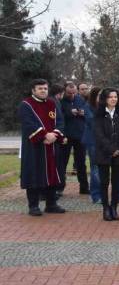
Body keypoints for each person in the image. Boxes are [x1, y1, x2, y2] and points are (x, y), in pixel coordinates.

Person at [19, 79, 67, 216]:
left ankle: (51, 204)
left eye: (45, 88)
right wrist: (45, 136)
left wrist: (54, 135)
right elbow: (28, 125)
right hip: (35, 147)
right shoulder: (26, 105)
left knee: (52, 173)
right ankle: (33, 206)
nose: (43, 91)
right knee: (34, 174)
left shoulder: (52, 103)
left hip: (51, 147)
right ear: (33, 90)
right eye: (40, 88)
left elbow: (60, 122)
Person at [93, 88, 119, 221]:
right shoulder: (98, 114)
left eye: (115, 97)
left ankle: (114, 208)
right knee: (104, 182)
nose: (114, 99)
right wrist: (111, 149)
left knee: (117, 183)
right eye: (110, 97)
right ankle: (105, 208)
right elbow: (98, 134)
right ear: (105, 99)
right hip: (104, 153)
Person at [58, 81, 89, 195]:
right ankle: (60, 187)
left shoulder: (80, 99)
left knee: (81, 162)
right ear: (64, 91)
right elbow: (58, 116)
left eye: (74, 92)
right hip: (66, 135)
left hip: (80, 135)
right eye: (69, 93)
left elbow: (87, 113)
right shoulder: (60, 101)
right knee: (62, 162)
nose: (72, 95)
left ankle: (84, 187)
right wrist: (70, 113)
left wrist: (82, 113)